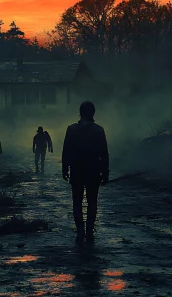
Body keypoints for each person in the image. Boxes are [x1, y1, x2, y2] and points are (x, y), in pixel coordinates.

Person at [61, 101, 109, 244]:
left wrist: (65, 168)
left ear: (80, 113)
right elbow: (104, 154)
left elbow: (66, 151)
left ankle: (80, 231)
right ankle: (89, 231)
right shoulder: (98, 130)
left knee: (77, 201)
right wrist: (105, 173)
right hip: (93, 171)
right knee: (92, 202)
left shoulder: (71, 129)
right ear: (93, 113)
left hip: (77, 171)